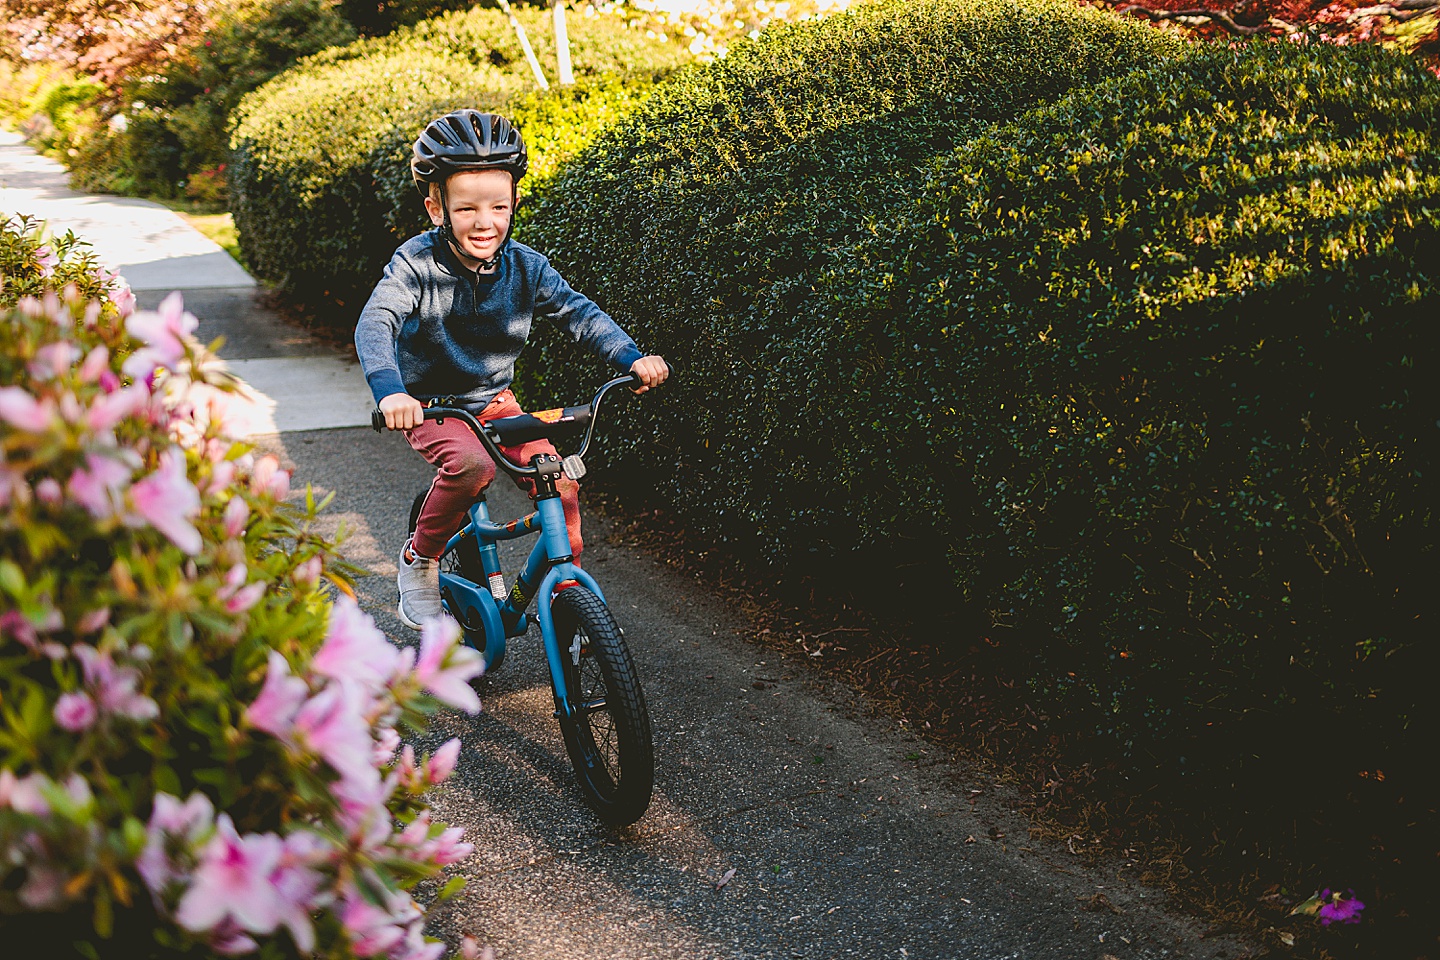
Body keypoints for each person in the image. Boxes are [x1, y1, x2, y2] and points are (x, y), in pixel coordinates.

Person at [355, 110, 668, 629]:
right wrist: (390, 393)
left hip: (497, 402)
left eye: (499, 206)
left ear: (515, 203)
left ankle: (568, 596)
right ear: (436, 207)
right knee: (471, 467)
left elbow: (578, 312)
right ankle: (420, 559)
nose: (485, 222)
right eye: (467, 208)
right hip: (434, 408)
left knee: (560, 481)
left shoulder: (527, 266)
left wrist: (631, 357)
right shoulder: (415, 264)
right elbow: (377, 321)